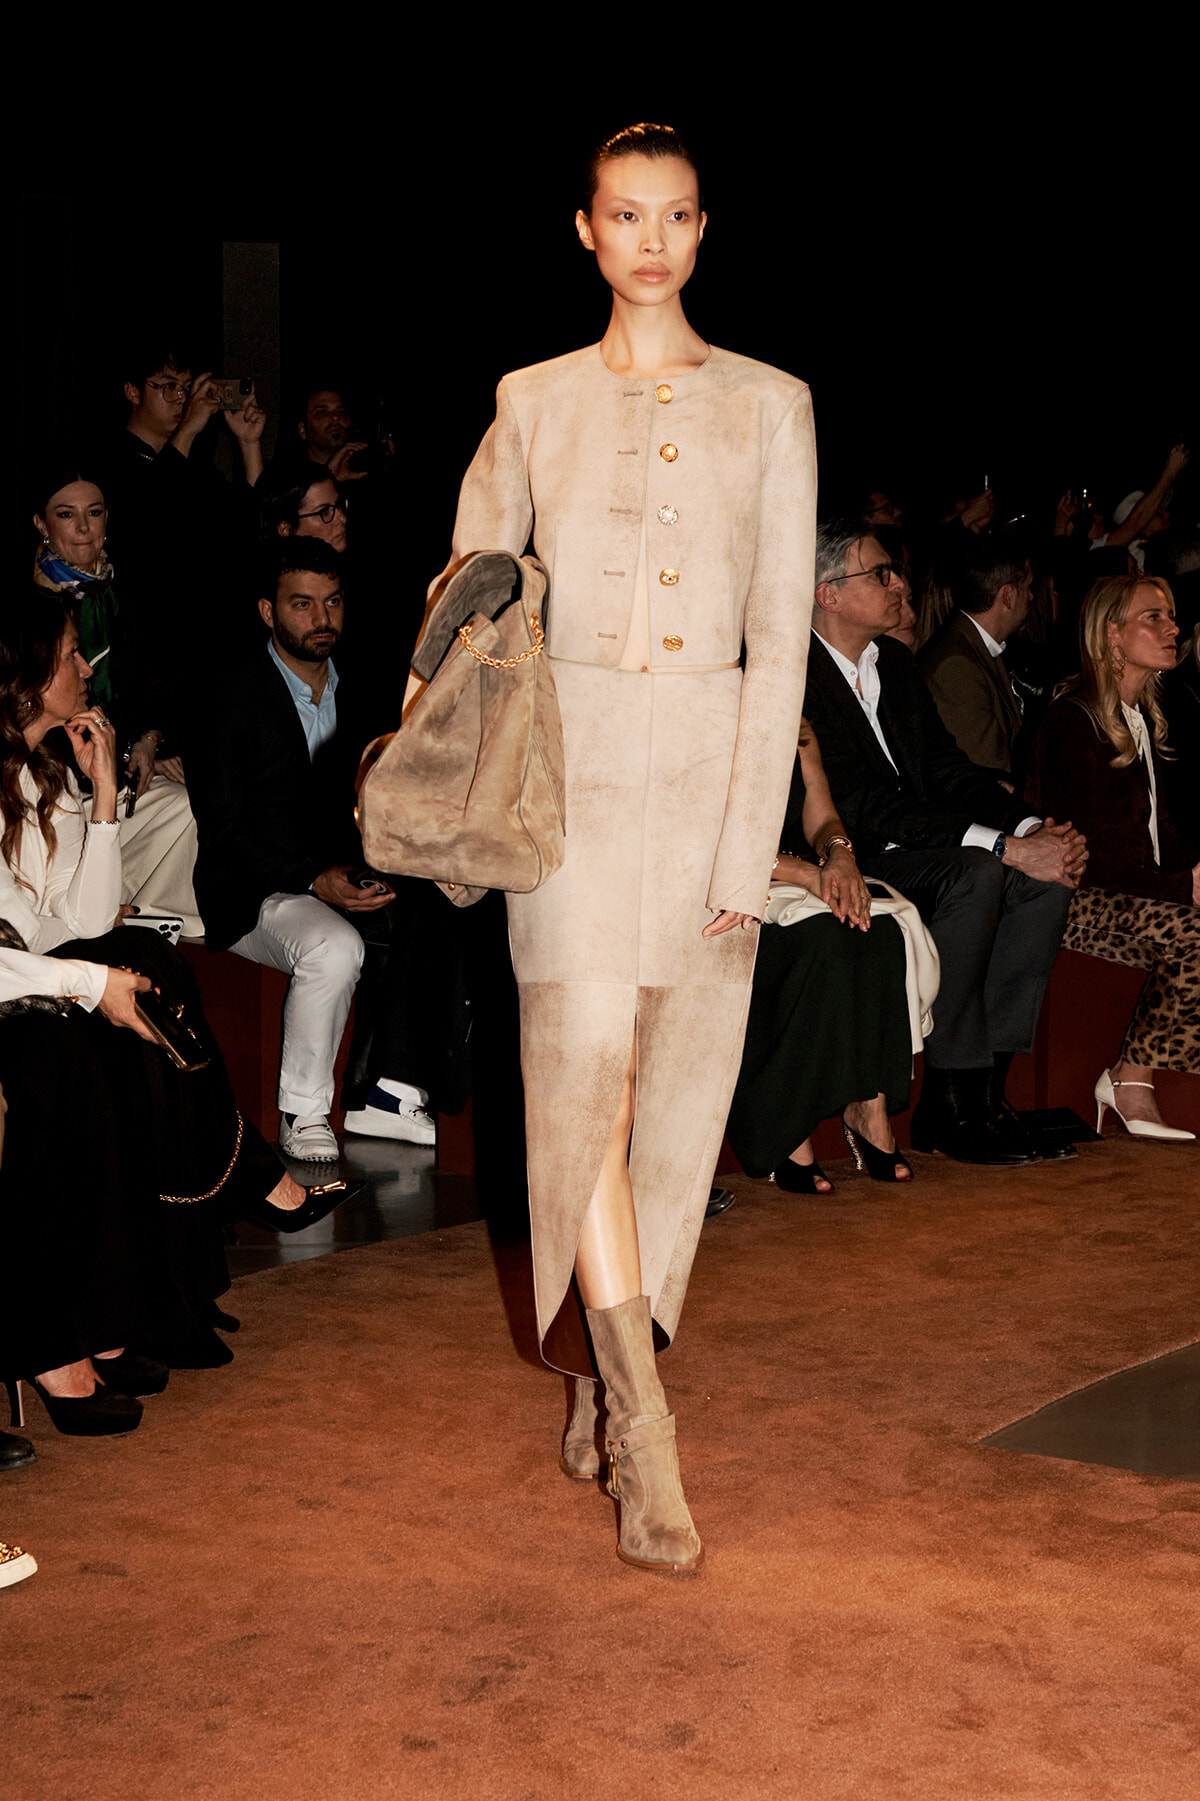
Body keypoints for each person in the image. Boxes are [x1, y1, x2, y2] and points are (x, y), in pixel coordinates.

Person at [413, 123, 815, 1573]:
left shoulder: (775, 405)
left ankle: (600, 1361)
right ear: (583, 230)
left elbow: (782, 648)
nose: (650, 239)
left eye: (677, 216)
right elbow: (464, 605)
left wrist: (747, 839)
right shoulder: (530, 399)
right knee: (578, 1075)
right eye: (624, 215)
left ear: (706, 231)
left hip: (707, 776)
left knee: (674, 1103)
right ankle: (645, 1425)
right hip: (567, 787)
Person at [0, 594, 354, 1427]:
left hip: (27, 983)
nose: (86, 669)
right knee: (86, 1051)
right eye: (68, 655)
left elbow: (83, 920)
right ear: (22, 674)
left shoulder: (35, 770)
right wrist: (91, 987)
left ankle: (159, 1291)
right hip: (16, 999)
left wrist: (104, 796)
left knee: (149, 963)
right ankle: (93, 1320)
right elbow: (58, 949)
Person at [802, 519, 1087, 1167]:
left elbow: (951, 771)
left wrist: (1029, 828)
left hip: (922, 844)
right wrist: (1000, 848)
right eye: (880, 573)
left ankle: (988, 1091)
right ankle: (946, 1097)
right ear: (829, 594)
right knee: (979, 875)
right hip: (848, 853)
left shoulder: (896, 664)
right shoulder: (794, 674)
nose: (899, 581)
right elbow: (863, 808)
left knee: (1043, 877)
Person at [187, 540, 445, 1159]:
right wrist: (314, 879)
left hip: (343, 870)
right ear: (267, 612)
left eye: (332, 602)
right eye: (301, 604)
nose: (321, 619)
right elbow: (225, 830)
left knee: (448, 906)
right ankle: (303, 1114)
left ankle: (386, 1091)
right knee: (333, 947)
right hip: (254, 889)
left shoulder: (370, 686)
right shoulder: (226, 697)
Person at [1025, 575, 1199, 1142]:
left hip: (1128, 892)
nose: (1173, 627)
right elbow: (1093, 851)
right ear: (1112, 636)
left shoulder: (1139, 719)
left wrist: (1192, 872)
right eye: (1154, 616)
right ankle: (1129, 1079)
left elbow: (1158, 833)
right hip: (1076, 900)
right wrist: (1180, 888)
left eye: (1171, 615)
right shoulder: (1071, 720)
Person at [727, 722, 918, 1194]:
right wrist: (804, 874)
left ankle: (867, 1107)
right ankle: (781, 1122)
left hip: (793, 880)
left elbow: (823, 817)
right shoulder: (701, 703)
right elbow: (696, 830)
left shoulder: (798, 720)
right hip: (723, 884)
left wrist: (839, 856)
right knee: (819, 941)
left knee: (878, 930)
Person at [32, 465, 202, 934]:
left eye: (94, 512)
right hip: (51, 779)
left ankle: (152, 931)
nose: (83, 527)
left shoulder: (128, 587)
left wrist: (148, 739)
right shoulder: (28, 606)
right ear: (42, 525)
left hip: (116, 764)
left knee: (184, 807)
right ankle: (98, 923)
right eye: (66, 515)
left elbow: (157, 677)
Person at [918, 538, 1033, 779]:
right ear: (1008, 596)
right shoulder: (955, 666)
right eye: (1028, 587)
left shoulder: (974, 644)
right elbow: (984, 770)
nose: (1032, 597)